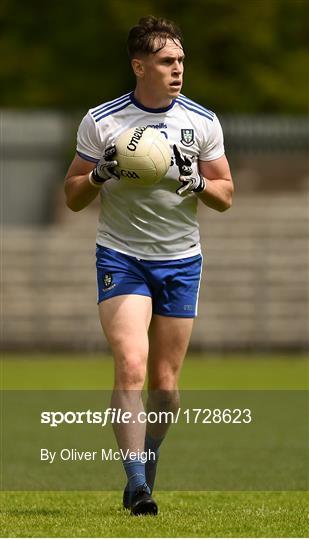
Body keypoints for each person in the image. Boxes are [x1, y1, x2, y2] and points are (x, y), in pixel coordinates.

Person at [64, 15, 233, 515]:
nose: (178, 69)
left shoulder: (202, 121)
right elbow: (72, 197)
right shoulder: (103, 121)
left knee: (166, 387)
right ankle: (137, 485)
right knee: (131, 365)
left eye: (181, 60)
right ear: (140, 66)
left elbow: (226, 195)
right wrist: (99, 174)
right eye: (166, 61)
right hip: (122, 256)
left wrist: (199, 184)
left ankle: (148, 460)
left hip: (181, 261)